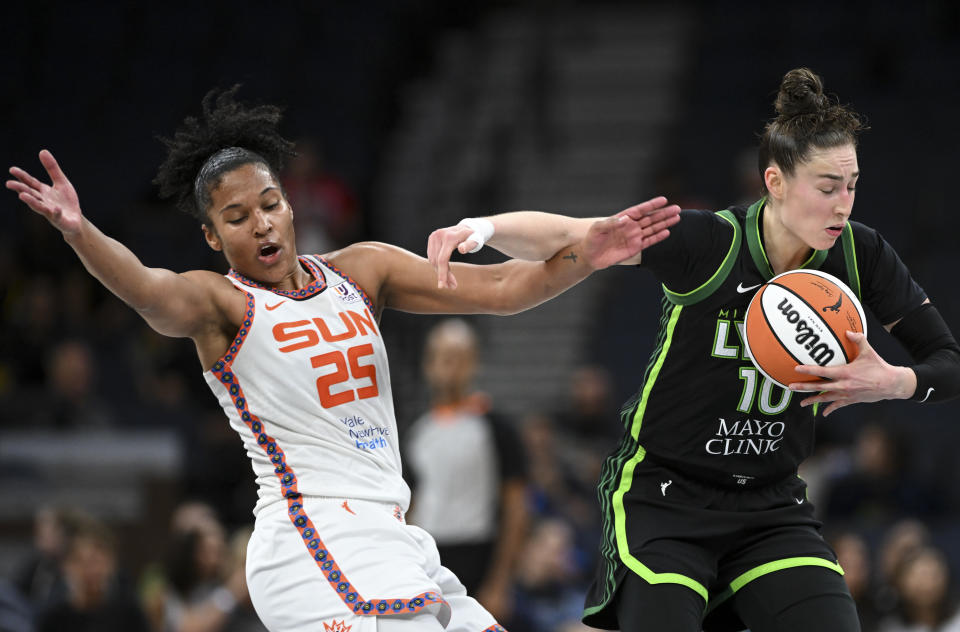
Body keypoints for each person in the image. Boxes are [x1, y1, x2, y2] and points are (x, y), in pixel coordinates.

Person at [5, 86, 680, 632]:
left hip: (393, 535)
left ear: (291, 204)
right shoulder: (222, 305)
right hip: (310, 536)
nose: (263, 223)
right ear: (212, 236)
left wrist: (588, 254)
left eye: (270, 204)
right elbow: (145, 289)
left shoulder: (364, 271)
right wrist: (80, 232)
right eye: (238, 218)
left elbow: (505, 289)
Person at [428, 68, 960, 632]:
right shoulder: (711, 242)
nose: (843, 205)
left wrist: (895, 381)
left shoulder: (861, 255)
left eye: (852, 185)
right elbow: (574, 232)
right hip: (666, 495)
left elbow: (948, 363)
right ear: (775, 183)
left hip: (769, 503)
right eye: (827, 188)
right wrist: (481, 227)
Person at [404, 318, 529, 622]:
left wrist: (500, 581)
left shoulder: (496, 428)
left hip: (478, 556)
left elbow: (516, 507)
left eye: (459, 358)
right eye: (443, 357)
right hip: (429, 557)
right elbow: (410, 505)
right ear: (428, 364)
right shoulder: (417, 431)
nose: (450, 367)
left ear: (473, 363)